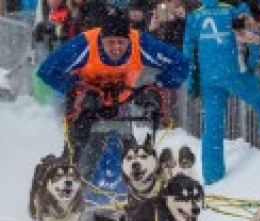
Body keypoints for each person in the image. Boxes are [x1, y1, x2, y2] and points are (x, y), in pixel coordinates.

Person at [37, 6, 190, 165]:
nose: (116, 48)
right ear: (101, 39)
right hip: (86, 101)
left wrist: (159, 84)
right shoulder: (84, 44)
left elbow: (181, 64)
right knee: (80, 147)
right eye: (110, 43)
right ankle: (71, 165)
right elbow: (47, 70)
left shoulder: (142, 43)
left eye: (121, 42)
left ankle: (137, 166)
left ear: (128, 39)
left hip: (122, 98)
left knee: (147, 108)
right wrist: (74, 88)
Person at [183, 0, 260, 185]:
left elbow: (188, 51)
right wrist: (252, 63)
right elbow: (251, 37)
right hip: (235, 72)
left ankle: (212, 176)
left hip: (209, 76)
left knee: (213, 125)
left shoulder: (195, 14)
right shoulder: (235, 8)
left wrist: (192, 82)